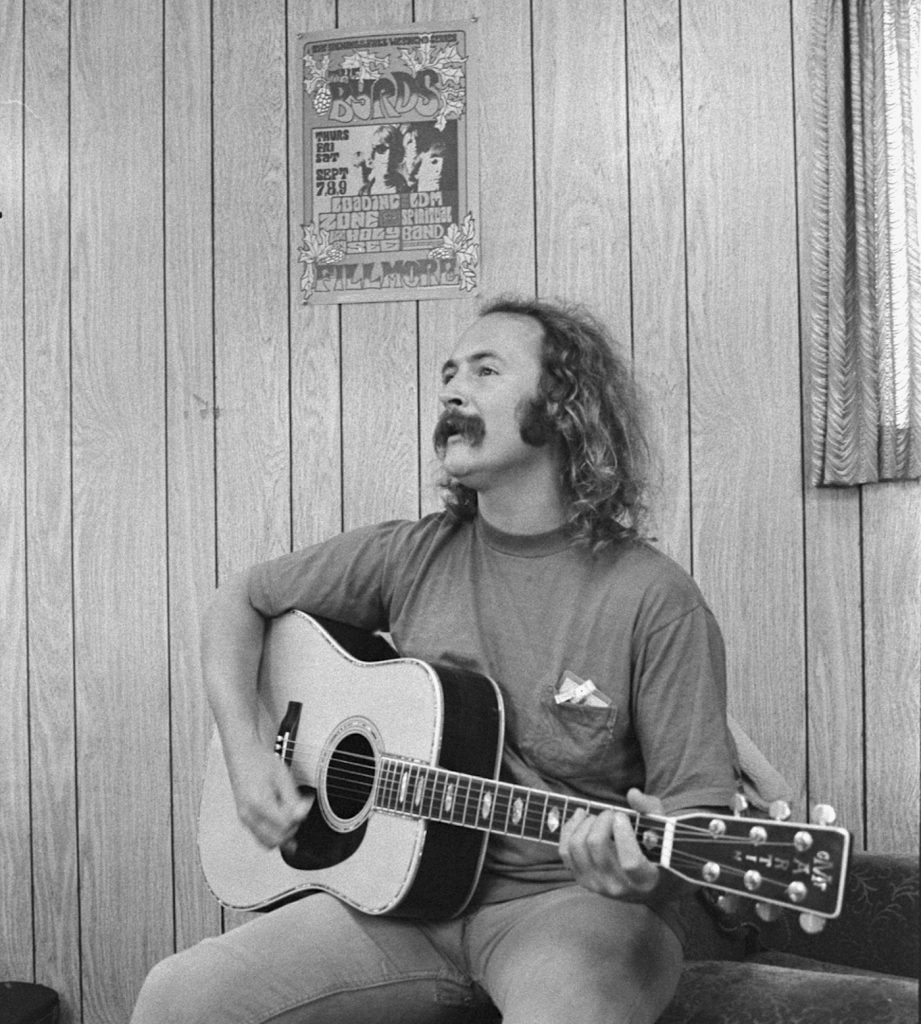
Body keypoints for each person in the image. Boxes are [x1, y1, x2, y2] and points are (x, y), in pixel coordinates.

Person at [131, 297, 739, 1024]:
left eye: (485, 371)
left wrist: (640, 875)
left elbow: (697, 815)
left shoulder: (655, 598)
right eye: (448, 372)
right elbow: (240, 601)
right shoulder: (410, 555)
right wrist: (246, 749)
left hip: (570, 909)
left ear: (564, 405)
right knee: (179, 996)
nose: (451, 390)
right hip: (400, 902)